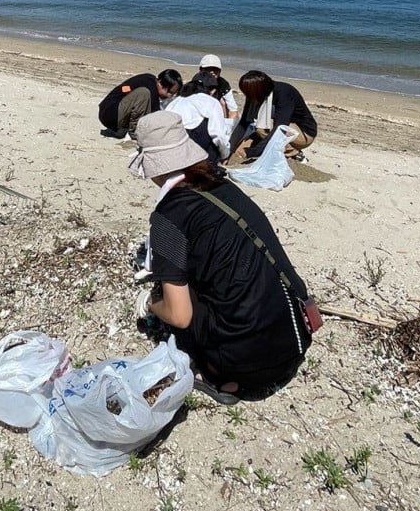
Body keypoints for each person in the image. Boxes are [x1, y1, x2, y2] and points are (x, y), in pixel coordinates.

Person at [130, 111, 313, 404]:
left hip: (246, 367)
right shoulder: (222, 185)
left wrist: (152, 304)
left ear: (153, 166)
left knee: (168, 292)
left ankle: (213, 375)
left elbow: (180, 314)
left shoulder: (169, 216)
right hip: (295, 340)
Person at [229, 69, 317, 162]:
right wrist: (228, 150)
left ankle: (294, 152)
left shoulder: (283, 92)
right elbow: (244, 123)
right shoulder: (253, 96)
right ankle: (274, 149)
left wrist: (254, 152)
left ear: (258, 89)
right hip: (269, 129)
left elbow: (281, 127)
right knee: (239, 151)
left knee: (261, 128)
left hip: (303, 134)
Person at [98, 69, 183, 139]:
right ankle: (134, 133)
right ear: (160, 83)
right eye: (170, 93)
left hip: (117, 113)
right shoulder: (149, 87)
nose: (171, 96)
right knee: (143, 94)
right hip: (108, 114)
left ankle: (126, 129)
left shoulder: (151, 83)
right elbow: (155, 115)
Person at [168, 71, 233, 163]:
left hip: (171, 147)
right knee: (216, 140)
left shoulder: (177, 100)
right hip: (193, 151)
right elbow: (218, 135)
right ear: (213, 90)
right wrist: (225, 155)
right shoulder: (211, 102)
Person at [198, 53, 239, 120]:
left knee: (223, 102)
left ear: (220, 71)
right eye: (208, 69)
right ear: (200, 70)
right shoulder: (195, 83)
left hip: (218, 116)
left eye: (215, 69)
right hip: (199, 114)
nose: (212, 72)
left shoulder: (223, 84)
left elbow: (233, 110)